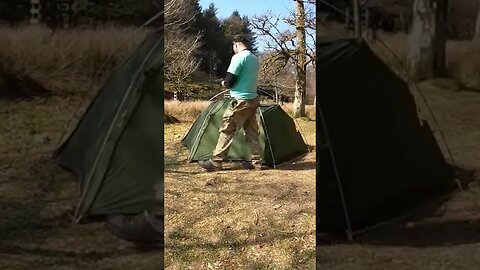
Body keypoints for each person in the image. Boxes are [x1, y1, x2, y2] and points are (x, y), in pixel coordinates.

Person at [198, 34, 261, 171]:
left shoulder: (238, 57)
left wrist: (224, 83)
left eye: (233, 46)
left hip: (240, 101)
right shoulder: (255, 59)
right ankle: (257, 163)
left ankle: (216, 162)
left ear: (236, 44)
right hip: (253, 99)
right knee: (252, 131)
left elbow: (229, 81)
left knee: (227, 129)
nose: (233, 48)